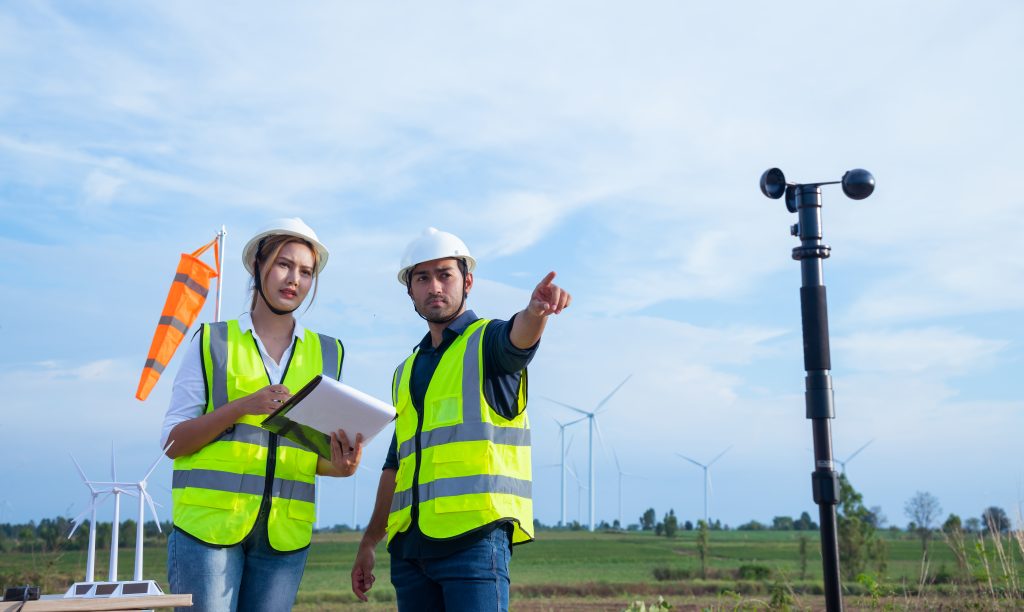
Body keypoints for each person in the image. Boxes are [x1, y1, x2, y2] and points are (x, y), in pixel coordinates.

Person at [351, 227, 571, 611]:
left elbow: (518, 339)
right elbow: (396, 463)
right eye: (423, 278)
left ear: (467, 282)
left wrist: (535, 313)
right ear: (410, 290)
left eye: (444, 275)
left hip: (473, 545)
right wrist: (370, 540)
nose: (434, 286)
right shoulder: (405, 371)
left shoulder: (488, 342)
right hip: (409, 553)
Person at [161, 218, 363, 612]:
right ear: (258, 264)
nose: (295, 280)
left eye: (307, 272)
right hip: (208, 531)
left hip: (284, 536)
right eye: (285, 265)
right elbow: (172, 442)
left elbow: (309, 455)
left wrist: (342, 466)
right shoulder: (212, 341)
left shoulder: (328, 354)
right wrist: (241, 407)